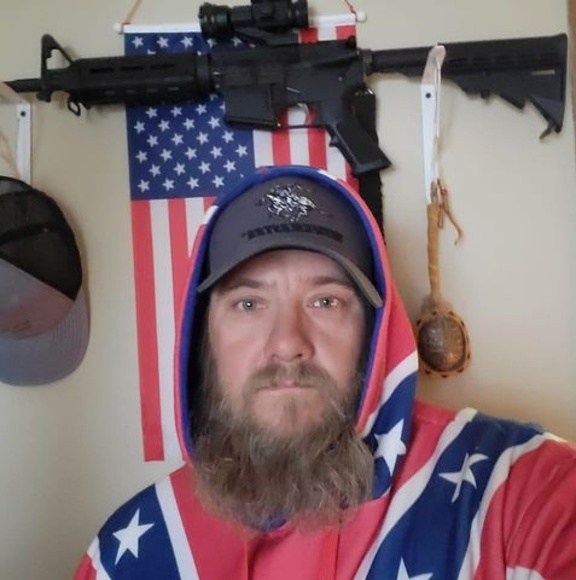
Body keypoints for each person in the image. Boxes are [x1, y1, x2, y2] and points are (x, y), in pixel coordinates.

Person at [75, 165, 576, 579]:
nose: (287, 343)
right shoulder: (129, 554)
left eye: (325, 301)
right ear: (201, 340)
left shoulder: (513, 490)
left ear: (375, 333)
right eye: (249, 304)